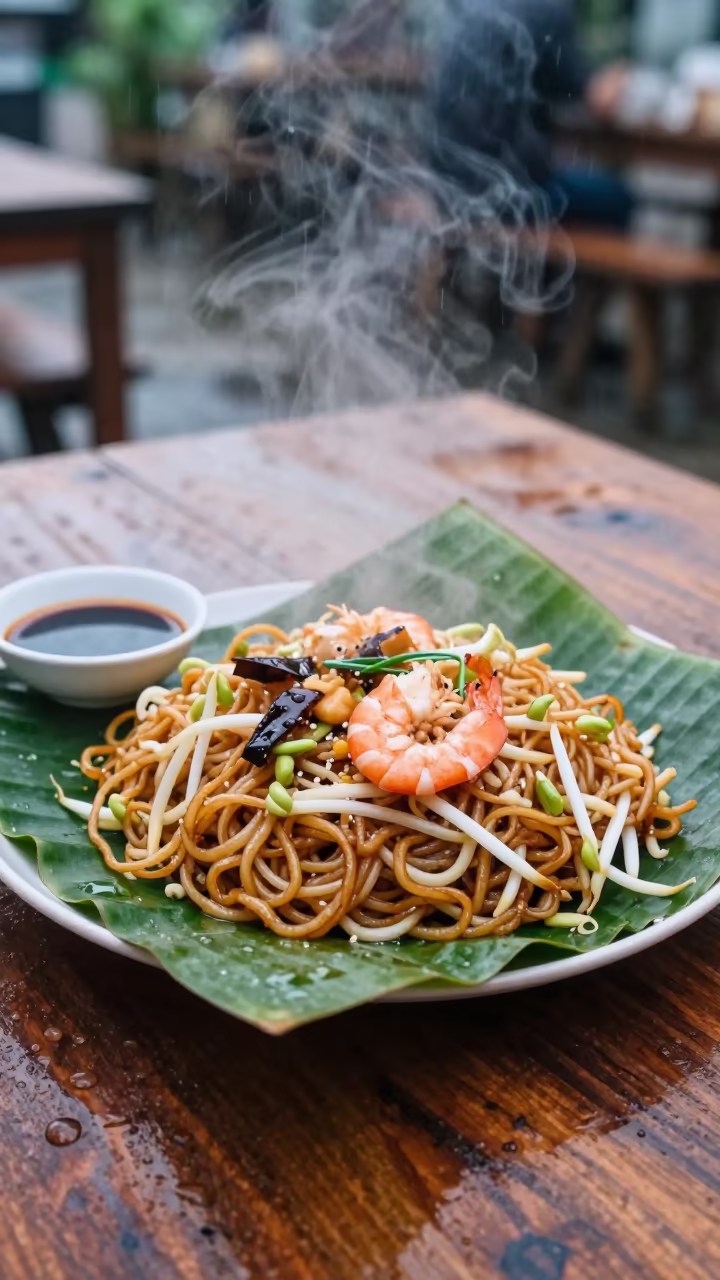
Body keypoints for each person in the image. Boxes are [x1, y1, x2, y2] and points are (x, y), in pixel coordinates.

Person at [433, 0, 633, 229]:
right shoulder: (549, 8)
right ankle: (566, 254)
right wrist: (619, 77)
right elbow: (598, 97)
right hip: (508, 193)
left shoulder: (472, 6)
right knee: (621, 198)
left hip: (446, 186)